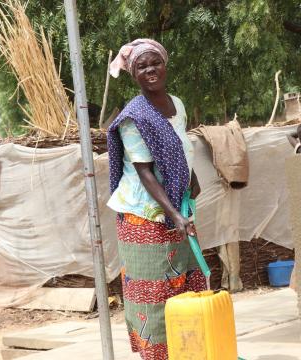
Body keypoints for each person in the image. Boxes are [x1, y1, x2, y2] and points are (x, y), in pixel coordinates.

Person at [107, 39, 206, 360]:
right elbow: (145, 172)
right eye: (141, 66)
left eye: (155, 63)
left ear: (165, 64)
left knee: (186, 286)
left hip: (176, 205)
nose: (150, 70)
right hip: (143, 216)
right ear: (133, 74)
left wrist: (192, 180)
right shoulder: (134, 116)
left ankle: (188, 353)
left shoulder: (177, 103)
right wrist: (174, 214)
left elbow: (180, 148)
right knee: (152, 296)